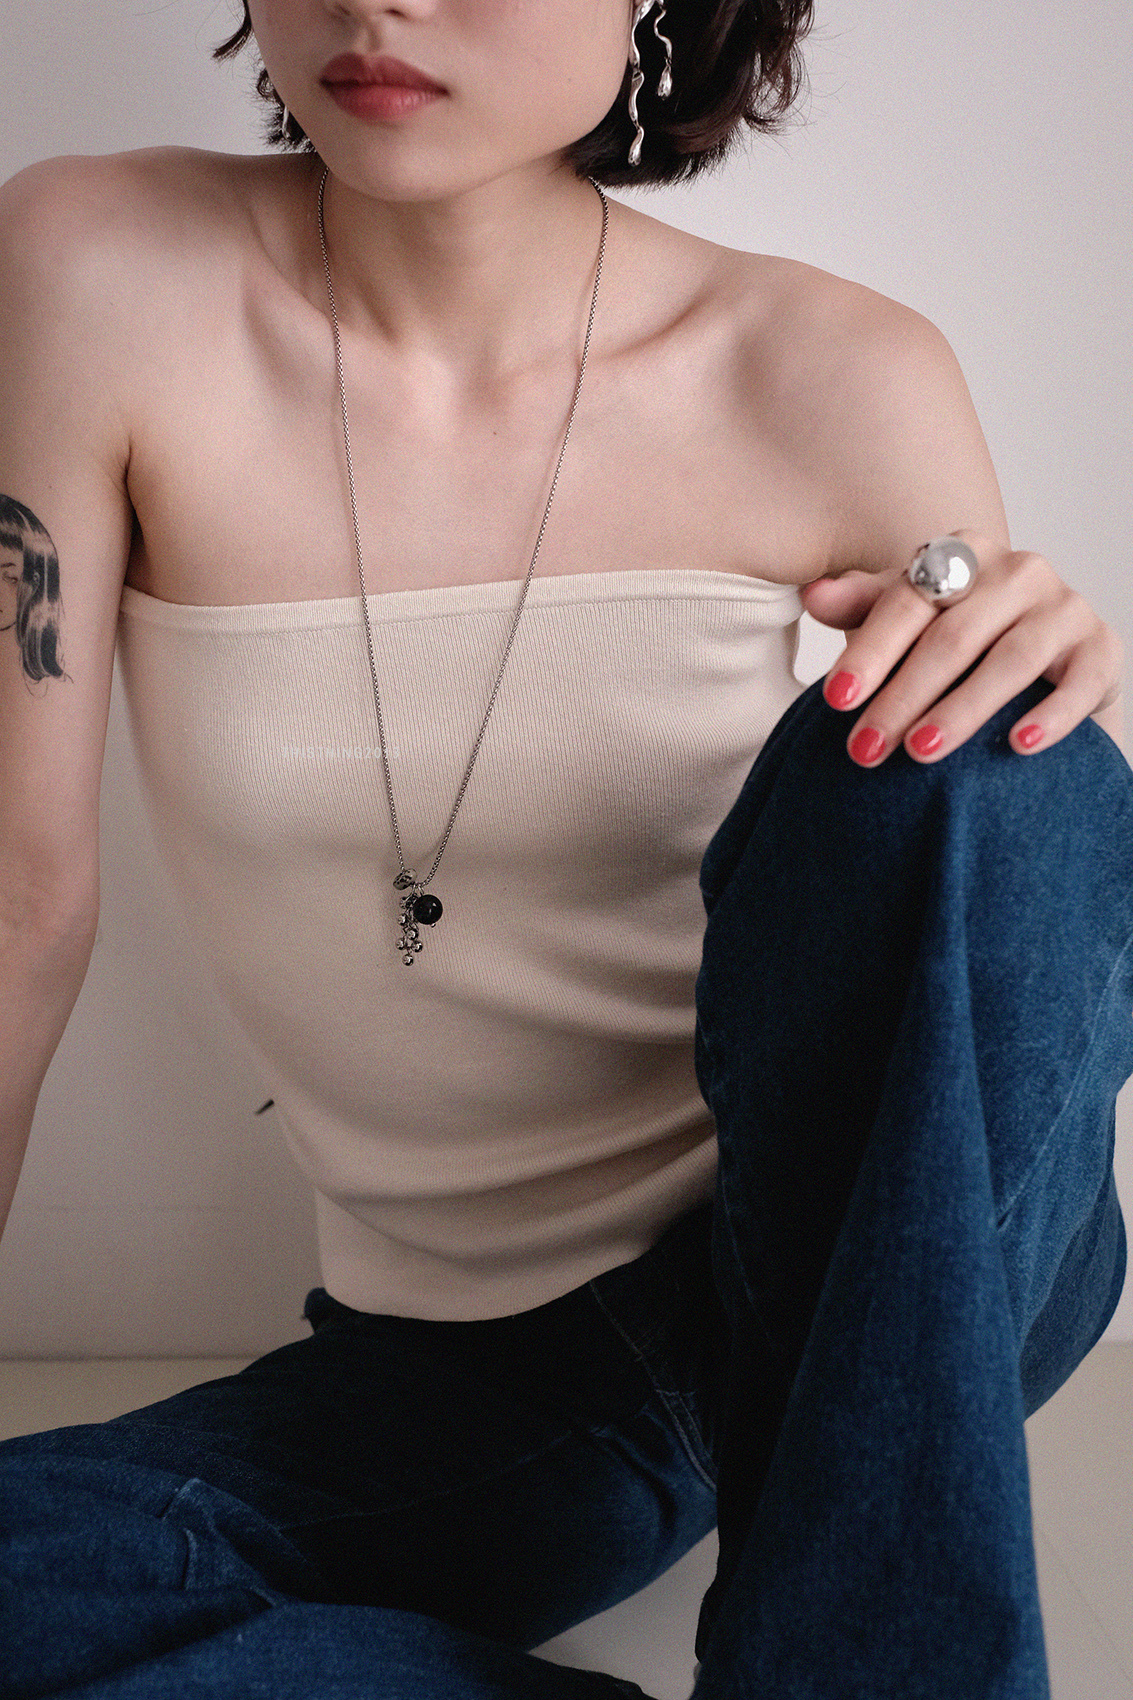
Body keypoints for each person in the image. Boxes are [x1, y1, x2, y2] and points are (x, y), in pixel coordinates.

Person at [0, 2, 1130, 1696]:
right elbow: (17, 904)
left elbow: (990, 938)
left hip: (869, 1265)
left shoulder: (834, 368)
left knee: (983, 753)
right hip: (479, 1382)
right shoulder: (94, 267)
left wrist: (1033, 666)